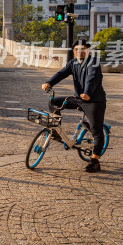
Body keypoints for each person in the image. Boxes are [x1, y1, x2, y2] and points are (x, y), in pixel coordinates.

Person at [41, 40, 106, 173]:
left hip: (94, 101)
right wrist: (49, 82)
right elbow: (61, 73)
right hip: (79, 99)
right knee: (54, 102)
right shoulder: (73, 63)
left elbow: (91, 78)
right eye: (76, 49)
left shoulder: (93, 62)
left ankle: (95, 160)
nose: (78, 51)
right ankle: (56, 130)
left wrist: (87, 93)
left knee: (97, 130)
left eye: (82, 49)